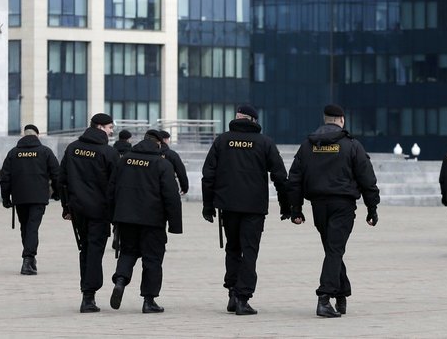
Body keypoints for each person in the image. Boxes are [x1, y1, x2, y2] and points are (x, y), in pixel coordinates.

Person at [287, 104, 380, 318]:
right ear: (342, 120)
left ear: (324, 119)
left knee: (332, 250)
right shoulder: (352, 146)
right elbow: (367, 178)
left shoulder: (308, 146)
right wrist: (372, 207)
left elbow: (295, 179)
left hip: (318, 205)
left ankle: (341, 295)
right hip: (343, 205)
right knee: (335, 250)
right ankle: (324, 298)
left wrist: (296, 208)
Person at [201, 104, 290, 315]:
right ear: (253, 121)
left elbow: (208, 175)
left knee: (232, 248)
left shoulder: (222, 140)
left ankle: (232, 292)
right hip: (254, 207)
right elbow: (280, 176)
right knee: (249, 251)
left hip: (228, 206)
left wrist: (208, 205)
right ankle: (243, 297)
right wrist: (287, 207)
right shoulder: (264, 142)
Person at [108, 129, 183, 314]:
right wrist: (175, 225)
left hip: (126, 218)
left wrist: (113, 216)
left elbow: (112, 188)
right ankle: (149, 300)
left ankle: (120, 281)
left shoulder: (124, 160)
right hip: (153, 220)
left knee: (127, 252)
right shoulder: (162, 164)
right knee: (153, 259)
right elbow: (171, 196)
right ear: (158, 143)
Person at [59, 112, 120, 312]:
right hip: (100, 211)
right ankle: (89, 296)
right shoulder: (108, 152)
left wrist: (66, 208)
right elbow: (116, 185)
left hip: (78, 210)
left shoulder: (73, 148)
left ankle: (87, 291)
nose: (112, 131)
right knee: (94, 251)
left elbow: (62, 180)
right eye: (110, 128)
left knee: (85, 249)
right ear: (101, 127)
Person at [0, 124, 60, 275]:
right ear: (37, 136)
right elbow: (57, 174)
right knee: (32, 227)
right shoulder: (45, 152)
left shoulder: (13, 153)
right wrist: (58, 193)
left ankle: (29, 259)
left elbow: (5, 178)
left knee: (25, 227)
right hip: (38, 197)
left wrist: (5, 198)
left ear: (23, 136)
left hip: (20, 197)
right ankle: (28, 259)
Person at [157, 130, 189, 195]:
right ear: (165, 140)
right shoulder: (172, 154)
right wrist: (184, 188)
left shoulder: (150, 153)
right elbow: (181, 172)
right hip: (168, 185)